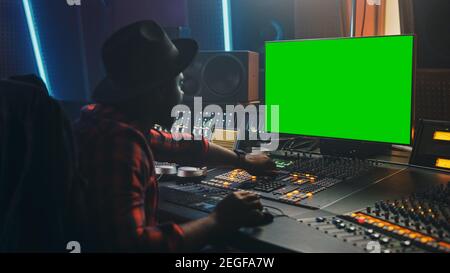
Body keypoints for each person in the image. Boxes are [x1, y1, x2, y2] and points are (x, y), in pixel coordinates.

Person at [73, 20, 276, 252]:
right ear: (160, 91)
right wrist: (218, 220)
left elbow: (183, 146)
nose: (183, 93)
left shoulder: (105, 120)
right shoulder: (121, 145)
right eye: (180, 84)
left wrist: (242, 160)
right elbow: (134, 246)